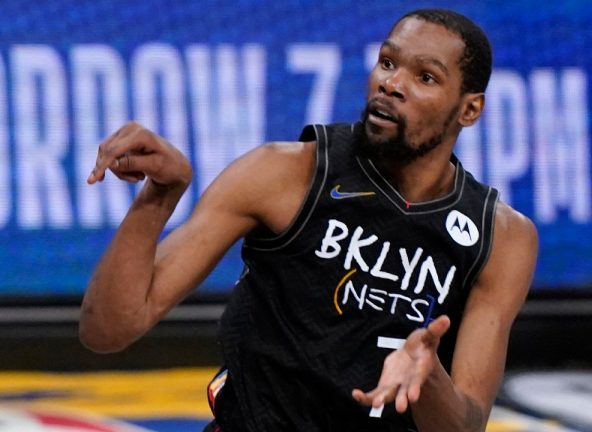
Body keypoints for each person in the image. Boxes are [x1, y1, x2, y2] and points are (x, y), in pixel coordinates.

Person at [79, 8, 538, 432]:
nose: (392, 84)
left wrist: (428, 376)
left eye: (425, 77)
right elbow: (108, 329)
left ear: (469, 109)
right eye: (387, 62)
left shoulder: (501, 236)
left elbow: (463, 427)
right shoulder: (283, 174)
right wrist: (157, 198)